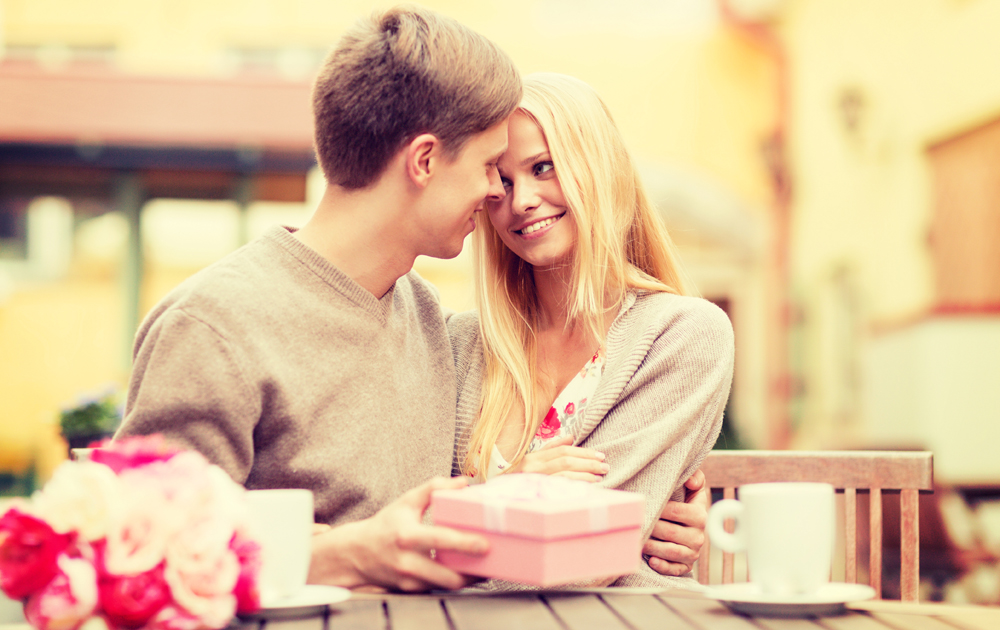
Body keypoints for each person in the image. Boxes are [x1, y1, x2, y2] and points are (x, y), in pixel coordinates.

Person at [115, 6, 705, 591]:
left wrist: (630, 524)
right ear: (424, 161)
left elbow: (438, 509)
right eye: (489, 168)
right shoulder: (214, 324)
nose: (499, 194)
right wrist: (339, 555)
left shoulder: (424, 321)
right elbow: (140, 550)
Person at [448, 73, 735, 588]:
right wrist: (508, 497)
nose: (522, 201)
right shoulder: (460, 343)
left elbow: (585, 564)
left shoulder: (685, 335)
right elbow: (394, 527)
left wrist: (468, 522)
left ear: (597, 169)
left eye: (544, 168)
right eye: (502, 182)